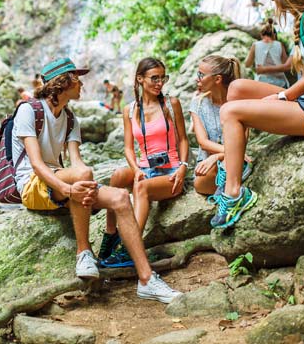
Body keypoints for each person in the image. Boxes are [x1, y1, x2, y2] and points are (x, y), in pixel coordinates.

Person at [13, 57, 180, 303]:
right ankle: (84, 252)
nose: (81, 85)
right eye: (77, 80)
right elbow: (36, 164)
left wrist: (79, 187)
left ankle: (147, 279)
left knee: (121, 197)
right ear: (63, 82)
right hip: (31, 184)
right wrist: (69, 189)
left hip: (60, 183)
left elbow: (77, 162)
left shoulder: (70, 119)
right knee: (83, 177)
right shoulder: (29, 110)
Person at [214, 0, 304, 229]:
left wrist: (283, 97)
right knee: (237, 88)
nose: (273, 0)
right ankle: (237, 164)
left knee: (229, 112)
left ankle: (234, 194)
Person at [100, 58, 190, 268]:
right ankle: (111, 234)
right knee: (118, 177)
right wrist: (136, 169)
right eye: (154, 78)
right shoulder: (129, 110)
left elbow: (184, 140)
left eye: (162, 78)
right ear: (140, 79)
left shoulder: (171, 103)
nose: (160, 83)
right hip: (145, 169)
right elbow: (129, 148)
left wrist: (183, 167)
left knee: (140, 187)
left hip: (171, 170)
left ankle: (131, 249)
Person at [190, 55, 252, 197]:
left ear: (217, 79)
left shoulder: (239, 103)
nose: (196, 78)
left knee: (225, 167)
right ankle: (230, 188)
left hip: (233, 161)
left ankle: (230, 191)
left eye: (201, 74)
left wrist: (218, 156)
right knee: (200, 182)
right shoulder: (197, 104)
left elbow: (243, 140)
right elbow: (203, 142)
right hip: (207, 166)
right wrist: (220, 156)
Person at [244, 18, 289, 88]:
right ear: (274, 35)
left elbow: (247, 64)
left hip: (262, 83)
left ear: (261, 34)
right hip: (280, 83)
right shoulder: (279, 44)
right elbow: (286, 64)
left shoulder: (256, 45)